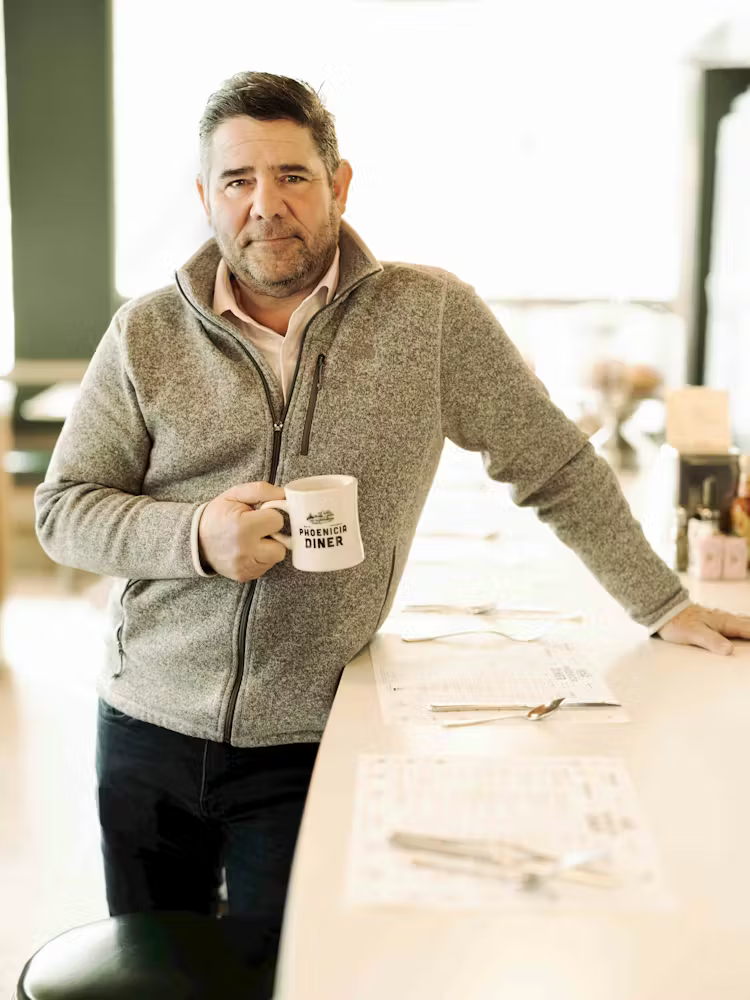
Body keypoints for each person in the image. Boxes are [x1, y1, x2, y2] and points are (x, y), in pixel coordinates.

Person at [35, 71, 750, 948]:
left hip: (315, 743)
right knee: (154, 966)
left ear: (338, 182)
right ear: (206, 199)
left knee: (282, 969)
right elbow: (64, 510)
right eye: (238, 181)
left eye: (293, 176)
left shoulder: (430, 315)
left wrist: (663, 604)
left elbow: (557, 464)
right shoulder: (145, 332)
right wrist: (194, 536)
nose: (266, 205)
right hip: (144, 729)